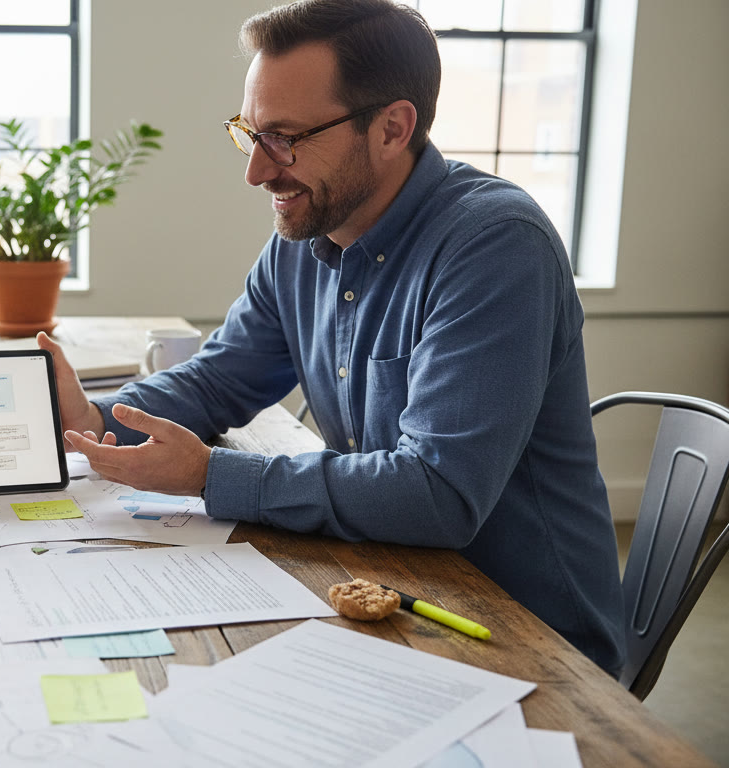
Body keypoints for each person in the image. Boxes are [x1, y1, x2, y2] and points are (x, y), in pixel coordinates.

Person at [47, 0, 626, 675]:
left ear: (392, 127)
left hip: (524, 639)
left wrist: (211, 475)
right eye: (250, 133)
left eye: (285, 138)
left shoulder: (496, 246)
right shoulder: (305, 239)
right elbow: (219, 377)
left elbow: (438, 496)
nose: (257, 172)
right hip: (395, 588)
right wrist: (95, 418)